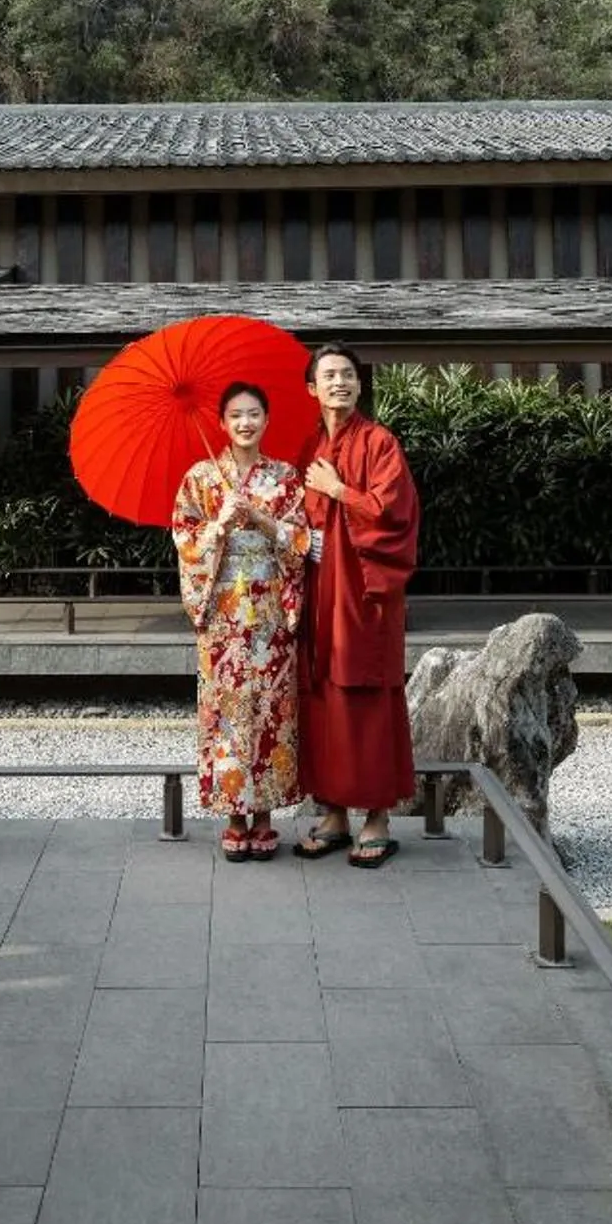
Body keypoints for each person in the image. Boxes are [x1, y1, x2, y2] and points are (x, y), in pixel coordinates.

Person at [168, 381, 315, 861]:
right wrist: (219, 526)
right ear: (222, 423)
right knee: (227, 711)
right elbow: (185, 540)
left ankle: (266, 816)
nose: (245, 423)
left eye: (253, 414)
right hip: (223, 613)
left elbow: (301, 540)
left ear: (266, 420)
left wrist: (262, 519)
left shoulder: (285, 477)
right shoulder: (200, 478)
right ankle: (234, 816)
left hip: (270, 609)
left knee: (272, 709)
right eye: (236, 415)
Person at [293, 342, 420, 867]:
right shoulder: (307, 446)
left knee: (366, 697)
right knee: (321, 695)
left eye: (347, 374)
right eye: (328, 375)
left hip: (364, 596)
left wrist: (339, 491)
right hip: (319, 589)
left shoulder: (380, 442)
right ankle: (333, 812)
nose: (339, 382)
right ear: (312, 389)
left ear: (360, 385)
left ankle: (377, 817)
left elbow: (394, 515)